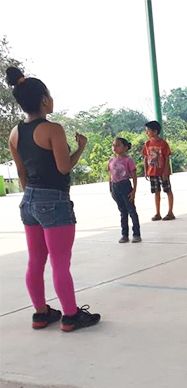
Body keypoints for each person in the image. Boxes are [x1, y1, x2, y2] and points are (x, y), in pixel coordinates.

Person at [6, 66, 101, 332]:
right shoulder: (53, 129)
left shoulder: (15, 133)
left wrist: (32, 197)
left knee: (35, 260)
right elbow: (63, 168)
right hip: (55, 200)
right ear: (44, 100)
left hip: (29, 201)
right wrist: (80, 148)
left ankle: (40, 313)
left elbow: (22, 173)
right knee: (60, 261)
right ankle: (70, 316)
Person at [108, 137, 141, 243]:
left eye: (118, 145)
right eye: (113, 145)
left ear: (125, 147)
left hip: (125, 185)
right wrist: (111, 189)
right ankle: (124, 235)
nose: (114, 147)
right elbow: (110, 175)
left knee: (131, 210)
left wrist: (134, 191)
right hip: (115, 187)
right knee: (122, 212)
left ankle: (136, 234)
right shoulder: (111, 160)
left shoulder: (128, 160)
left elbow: (134, 176)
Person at [142, 120, 175, 221]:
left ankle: (170, 212)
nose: (146, 133)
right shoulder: (147, 144)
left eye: (148, 131)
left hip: (162, 172)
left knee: (168, 190)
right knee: (156, 191)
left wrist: (166, 171)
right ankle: (157, 213)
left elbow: (166, 158)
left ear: (155, 131)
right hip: (152, 171)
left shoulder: (163, 143)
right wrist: (146, 170)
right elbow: (145, 158)